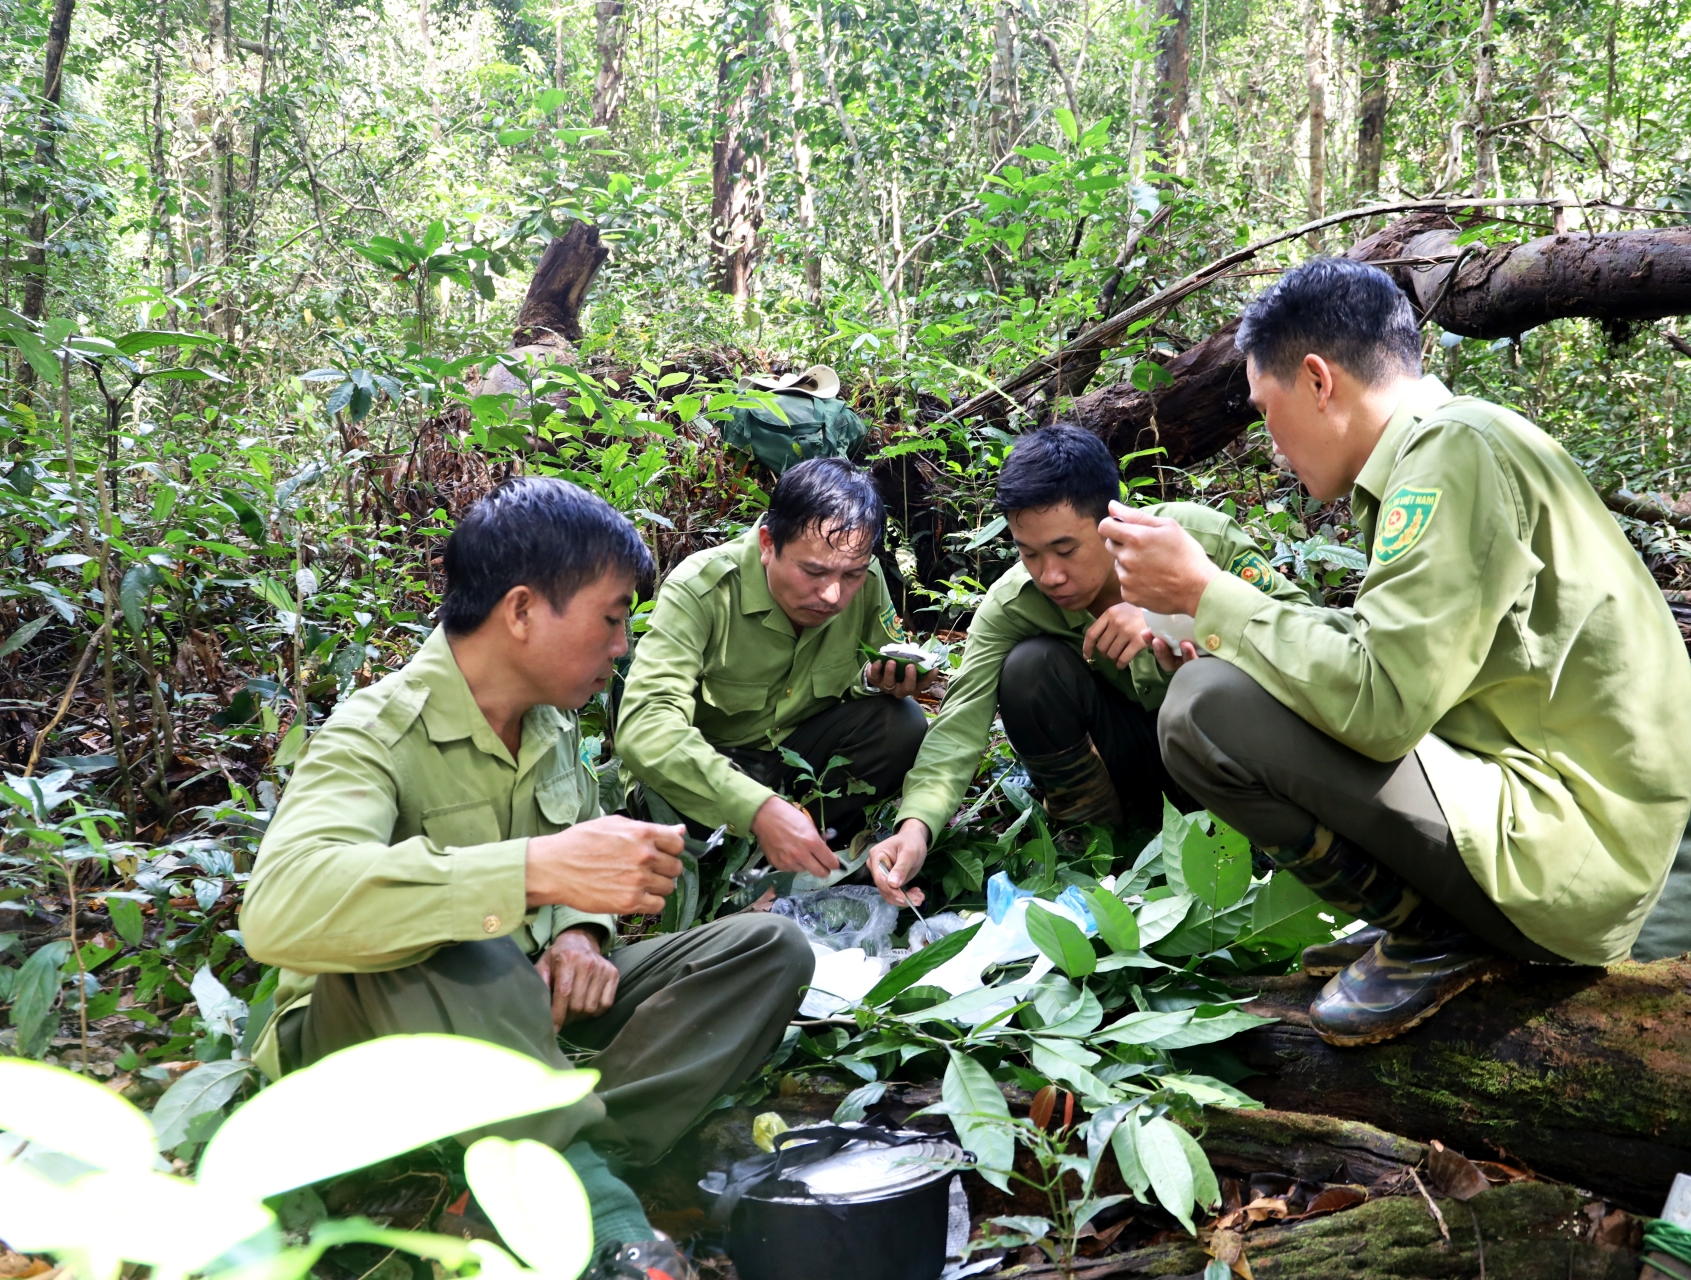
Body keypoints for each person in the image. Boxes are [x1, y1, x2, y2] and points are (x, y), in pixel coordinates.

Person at [1099, 259, 1691, 1046]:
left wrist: (1208, 596)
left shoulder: (1453, 454)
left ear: (1318, 381)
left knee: (1203, 711)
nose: (1270, 442)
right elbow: (1385, 661)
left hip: (1569, 853)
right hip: (1560, 818)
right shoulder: (1448, 445)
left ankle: (1438, 933)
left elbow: (1381, 705)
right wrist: (1218, 626)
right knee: (1228, 682)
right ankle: (1432, 924)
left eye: (1264, 410)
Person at [240, 477, 814, 1277]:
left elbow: (567, 884)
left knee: (770, 949)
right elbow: (276, 915)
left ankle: (530, 1166)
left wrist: (581, 931)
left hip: (516, 1021)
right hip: (365, 1045)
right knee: (471, 945)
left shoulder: (550, 724)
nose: (621, 645)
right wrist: (529, 875)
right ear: (520, 611)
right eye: (612, 618)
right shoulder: (372, 734)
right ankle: (596, 1218)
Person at [867, 424, 1290, 907]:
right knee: (1028, 669)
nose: (1050, 575)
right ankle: (1099, 851)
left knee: (1204, 680)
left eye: (1066, 550)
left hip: (1231, 762)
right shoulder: (1014, 604)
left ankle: (1261, 840)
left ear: (1110, 523)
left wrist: (1173, 616)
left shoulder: (1200, 542)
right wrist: (915, 826)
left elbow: (1300, 641)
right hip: (1132, 766)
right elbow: (960, 724)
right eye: (1029, 553)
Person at [615, 458, 927, 881]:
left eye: (851, 574)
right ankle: (733, 872)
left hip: (796, 757)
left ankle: (812, 852)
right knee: (668, 806)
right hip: (712, 768)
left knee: (901, 722)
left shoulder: (865, 579)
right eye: (813, 571)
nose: (833, 595)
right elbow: (644, 727)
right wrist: (757, 808)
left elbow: (857, 682)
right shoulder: (702, 590)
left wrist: (877, 682)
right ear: (767, 543)